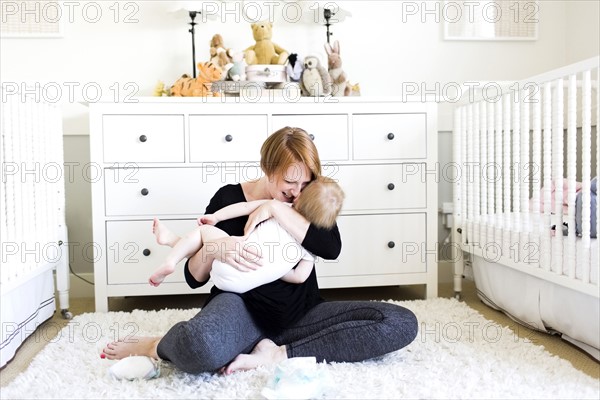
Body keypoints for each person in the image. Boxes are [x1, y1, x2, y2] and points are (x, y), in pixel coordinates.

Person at [102, 126, 418, 375]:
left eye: (305, 183)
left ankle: (277, 353)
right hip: (241, 312)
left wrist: (275, 208)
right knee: (198, 347)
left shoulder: (309, 202)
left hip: (301, 315)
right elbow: (194, 277)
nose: (296, 193)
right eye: (288, 184)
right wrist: (214, 246)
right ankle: (154, 345)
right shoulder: (228, 199)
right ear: (268, 170)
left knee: (400, 323)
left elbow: (330, 247)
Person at [149, 176, 345, 293]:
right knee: (211, 243)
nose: (295, 190)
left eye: (303, 186)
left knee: (204, 232)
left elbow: (244, 208)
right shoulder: (309, 248)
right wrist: (271, 267)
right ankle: (173, 241)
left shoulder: (281, 207)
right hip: (241, 285)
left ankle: (171, 255)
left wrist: (215, 218)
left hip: (228, 268)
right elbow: (299, 276)